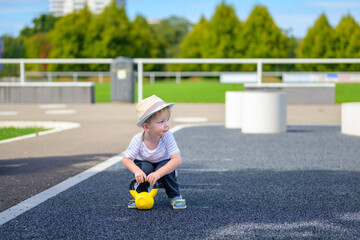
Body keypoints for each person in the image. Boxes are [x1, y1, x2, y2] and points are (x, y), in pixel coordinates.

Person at [123, 95, 186, 210]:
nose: (166, 124)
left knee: (167, 168)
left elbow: (177, 160)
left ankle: (175, 195)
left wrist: (158, 174)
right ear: (146, 127)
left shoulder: (167, 136)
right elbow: (126, 159)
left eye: (167, 119)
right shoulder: (138, 139)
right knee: (144, 169)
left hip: (163, 162)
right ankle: (140, 194)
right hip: (145, 163)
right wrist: (137, 172)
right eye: (161, 122)